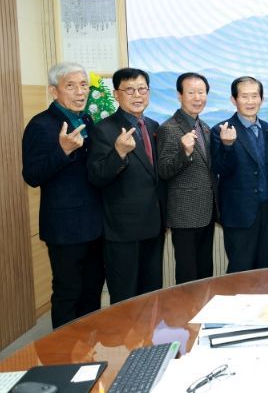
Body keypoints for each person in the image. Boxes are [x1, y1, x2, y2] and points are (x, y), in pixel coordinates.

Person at [21, 62, 105, 328]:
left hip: (95, 224)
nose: (80, 92)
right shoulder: (41, 125)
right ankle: (63, 350)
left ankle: (88, 345)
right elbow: (32, 175)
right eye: (71, 86)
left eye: (83, 85)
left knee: (92, 290)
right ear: (53, 91)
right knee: (68, 293)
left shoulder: (87, 120)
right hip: (65, 229)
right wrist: (63, 151)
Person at [87, 68, 165, 304]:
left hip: (153, 225)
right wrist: (119, 153)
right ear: (116, 94)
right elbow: (96, 176)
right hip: (122, 230)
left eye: (142, 89)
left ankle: (150, 330)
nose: (137, 95)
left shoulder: (153, 126)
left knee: (151, 293)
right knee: (125, 297)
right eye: (129, 90)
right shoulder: (104, 129)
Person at [211, 76, 268, 273]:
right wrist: (227, 146)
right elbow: (220, 169)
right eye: (244, 96)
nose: (250, 101)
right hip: (239, 214)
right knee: (240, 273)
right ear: (234, 100)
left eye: (254, 96)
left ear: (262, 99)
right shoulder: (221, 130)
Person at [156, 72, 216, 284]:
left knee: (205, 273)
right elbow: (164, 170)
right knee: (187, 275)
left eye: (201, 92)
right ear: (179, 95)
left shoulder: (205, 127)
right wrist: (184, 152)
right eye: (191, 92)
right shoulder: (169, 128)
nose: (197, 98)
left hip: (207, 212)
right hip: (184, 215)